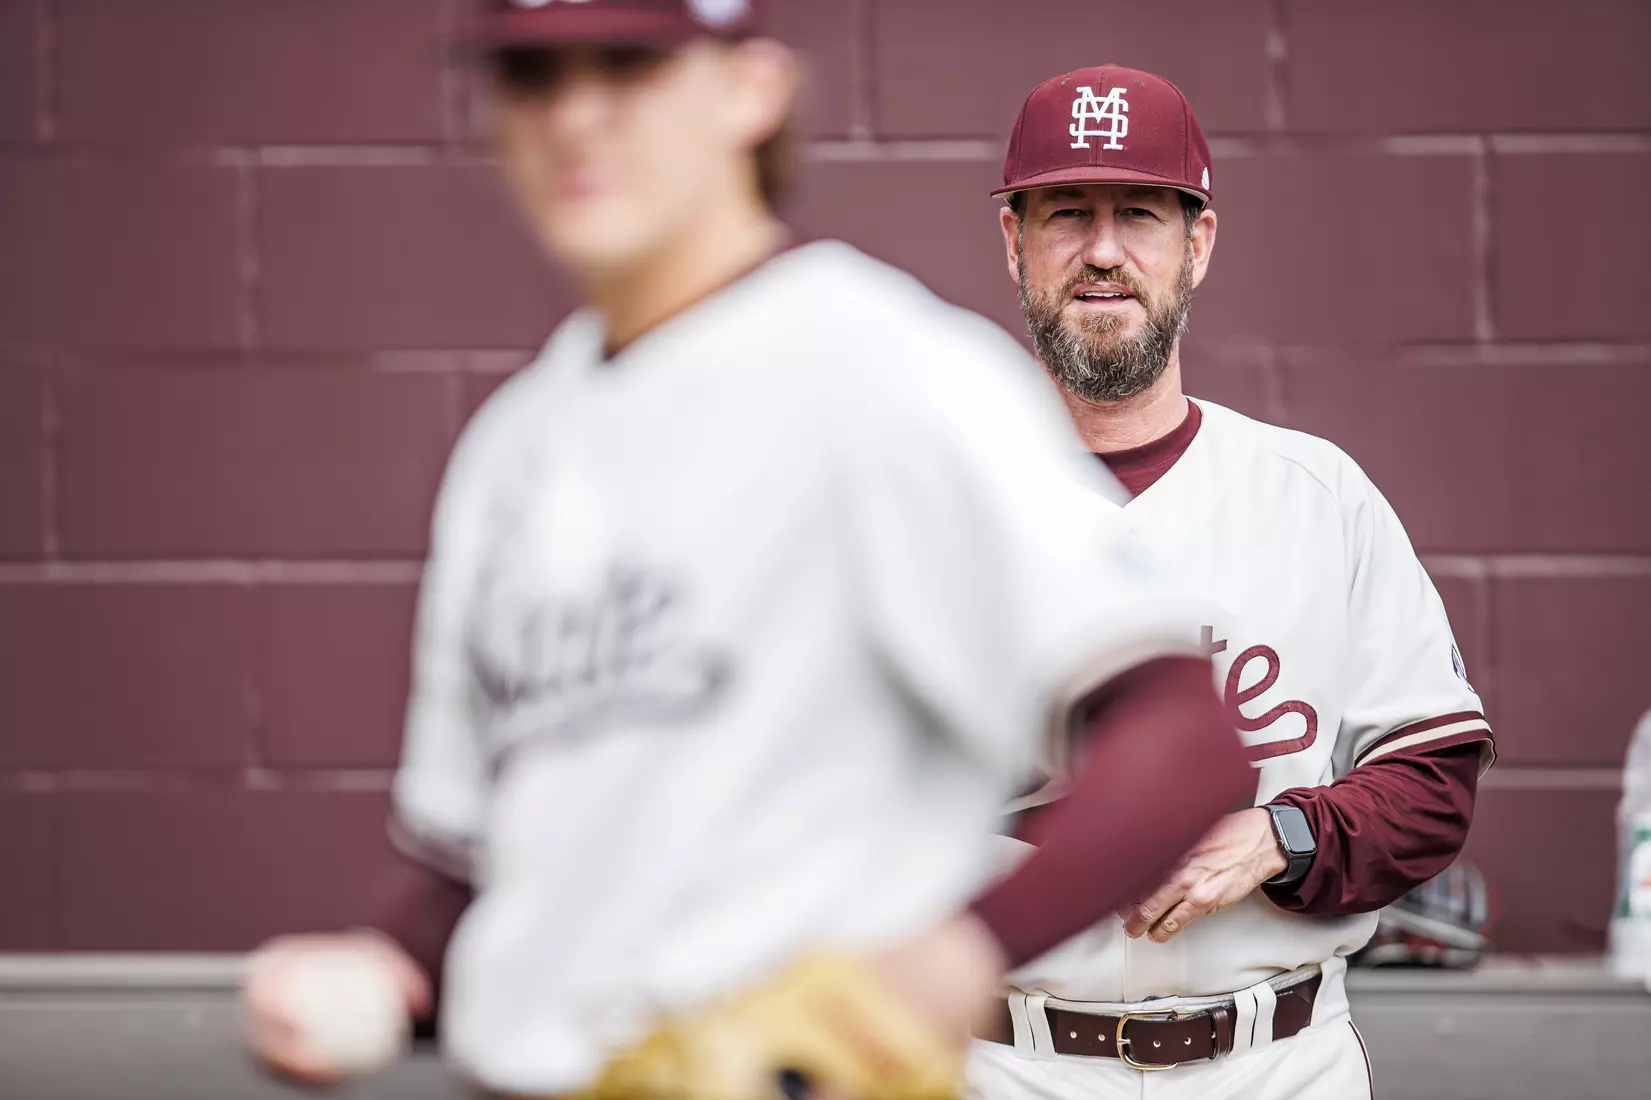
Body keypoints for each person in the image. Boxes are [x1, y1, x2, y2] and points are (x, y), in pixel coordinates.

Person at [239, 11, 1251, 1100]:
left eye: (629, 66)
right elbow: (481, 864)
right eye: (532, 77)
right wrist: (387, 964)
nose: (575, 117)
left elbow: (1183, 736)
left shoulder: (880, 370)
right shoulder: (513, 440)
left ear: (749, 90)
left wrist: (950, 957)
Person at [966, 64, 1496, 1100]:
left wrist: (1280, 832)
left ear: (1196, 244)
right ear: (1013, 242)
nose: (1103, 251)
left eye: (1140, 216)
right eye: (1067, 213)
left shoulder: (1315, 494)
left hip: (1273, 1059)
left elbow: (1433, 778)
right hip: (996, 1063)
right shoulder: (931, 508)